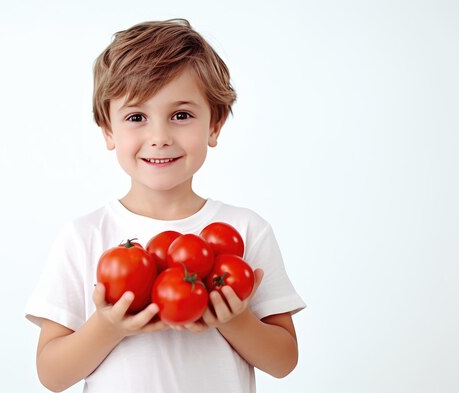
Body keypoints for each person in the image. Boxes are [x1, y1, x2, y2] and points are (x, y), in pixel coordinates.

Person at [25, 18, 306, 393]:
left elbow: (284, 360)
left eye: (181, 115)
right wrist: (107, 327)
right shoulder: (83, 236)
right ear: (109, 130)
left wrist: (235, 320)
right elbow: (52, 375)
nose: (159, 137)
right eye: (136, 117)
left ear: (214, 125)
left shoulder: (246, 230)